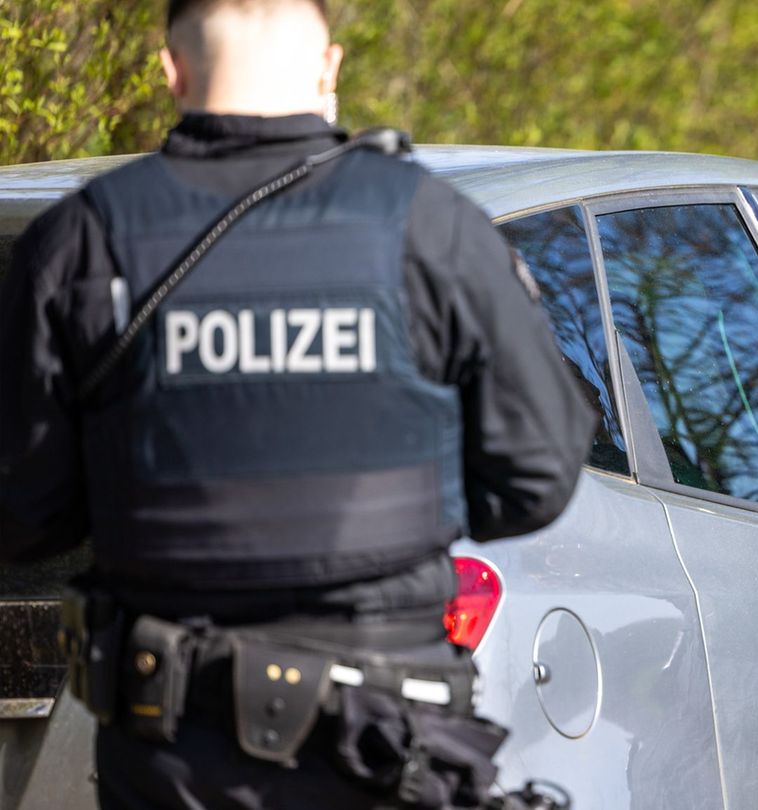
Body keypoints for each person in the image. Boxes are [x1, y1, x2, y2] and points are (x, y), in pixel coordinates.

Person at [0, 0, 595, 808]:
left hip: (174, 752)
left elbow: (26, 514)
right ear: (329, 70)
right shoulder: (431, 227)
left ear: (171, 72)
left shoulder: (80, 242)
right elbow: (539, 475)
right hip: (385, 739)